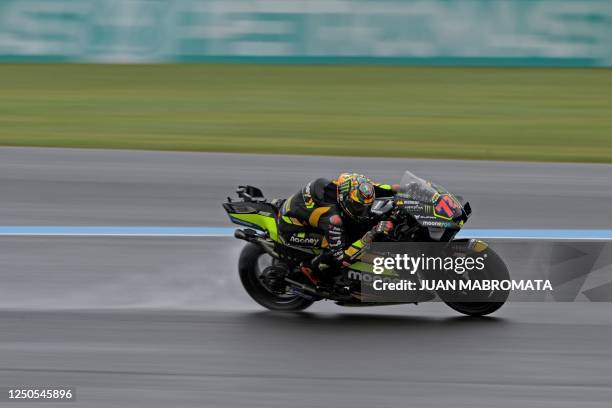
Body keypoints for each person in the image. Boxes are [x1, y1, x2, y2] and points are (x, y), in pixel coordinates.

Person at [277, 172, 399, 285]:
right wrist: (372, 234)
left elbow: (388, 188)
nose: (364, 212)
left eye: (366, 206)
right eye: (358, 207)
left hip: (307, 212)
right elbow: (343, 258)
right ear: (344, 198)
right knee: (340, 244)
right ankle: (310, 268)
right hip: (291, 229)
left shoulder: (352, 186)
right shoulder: (333, 218)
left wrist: (410, 188)